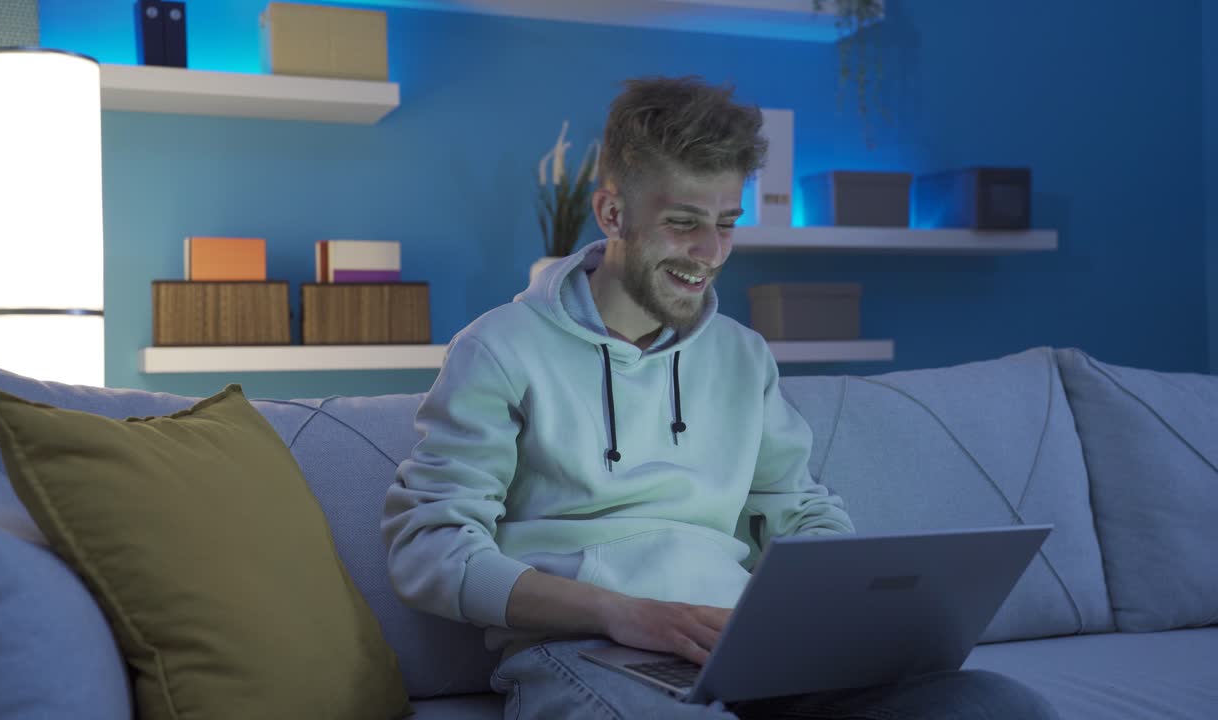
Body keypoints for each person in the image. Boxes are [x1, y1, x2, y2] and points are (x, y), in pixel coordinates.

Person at [381, 76, 1061, 720]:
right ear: (612, 211)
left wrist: (846, 604)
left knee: (1002, 707)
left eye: (726, 223)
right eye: (682, 222)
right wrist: (621, 611)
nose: (709, 252)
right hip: (583, 650)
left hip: (736, 646)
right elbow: (430, 550)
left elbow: (797, 510)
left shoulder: (741, 355)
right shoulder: (498, 349)